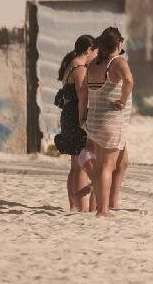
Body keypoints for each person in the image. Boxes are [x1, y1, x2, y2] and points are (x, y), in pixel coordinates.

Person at [84, 28, 134, 218]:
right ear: (119, 44)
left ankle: (107, 204)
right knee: (107, 166)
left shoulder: (94, 64)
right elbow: (129, 81)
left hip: (95, 120)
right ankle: (103, 209)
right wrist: (122, 100)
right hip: (112, 121)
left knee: (118, 162)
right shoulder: (118, 62)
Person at [56, 35, 97, 211]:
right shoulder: (80, 69)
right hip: (75, 117)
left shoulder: (69, 66)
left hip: (67, 116)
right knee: (81, 164)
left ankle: (74, 205)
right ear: (88, 50)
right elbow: (82, 97)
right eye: (94, 51)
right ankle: (81, 206)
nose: (96, 55)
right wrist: (83, 120)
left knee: (75, 165)